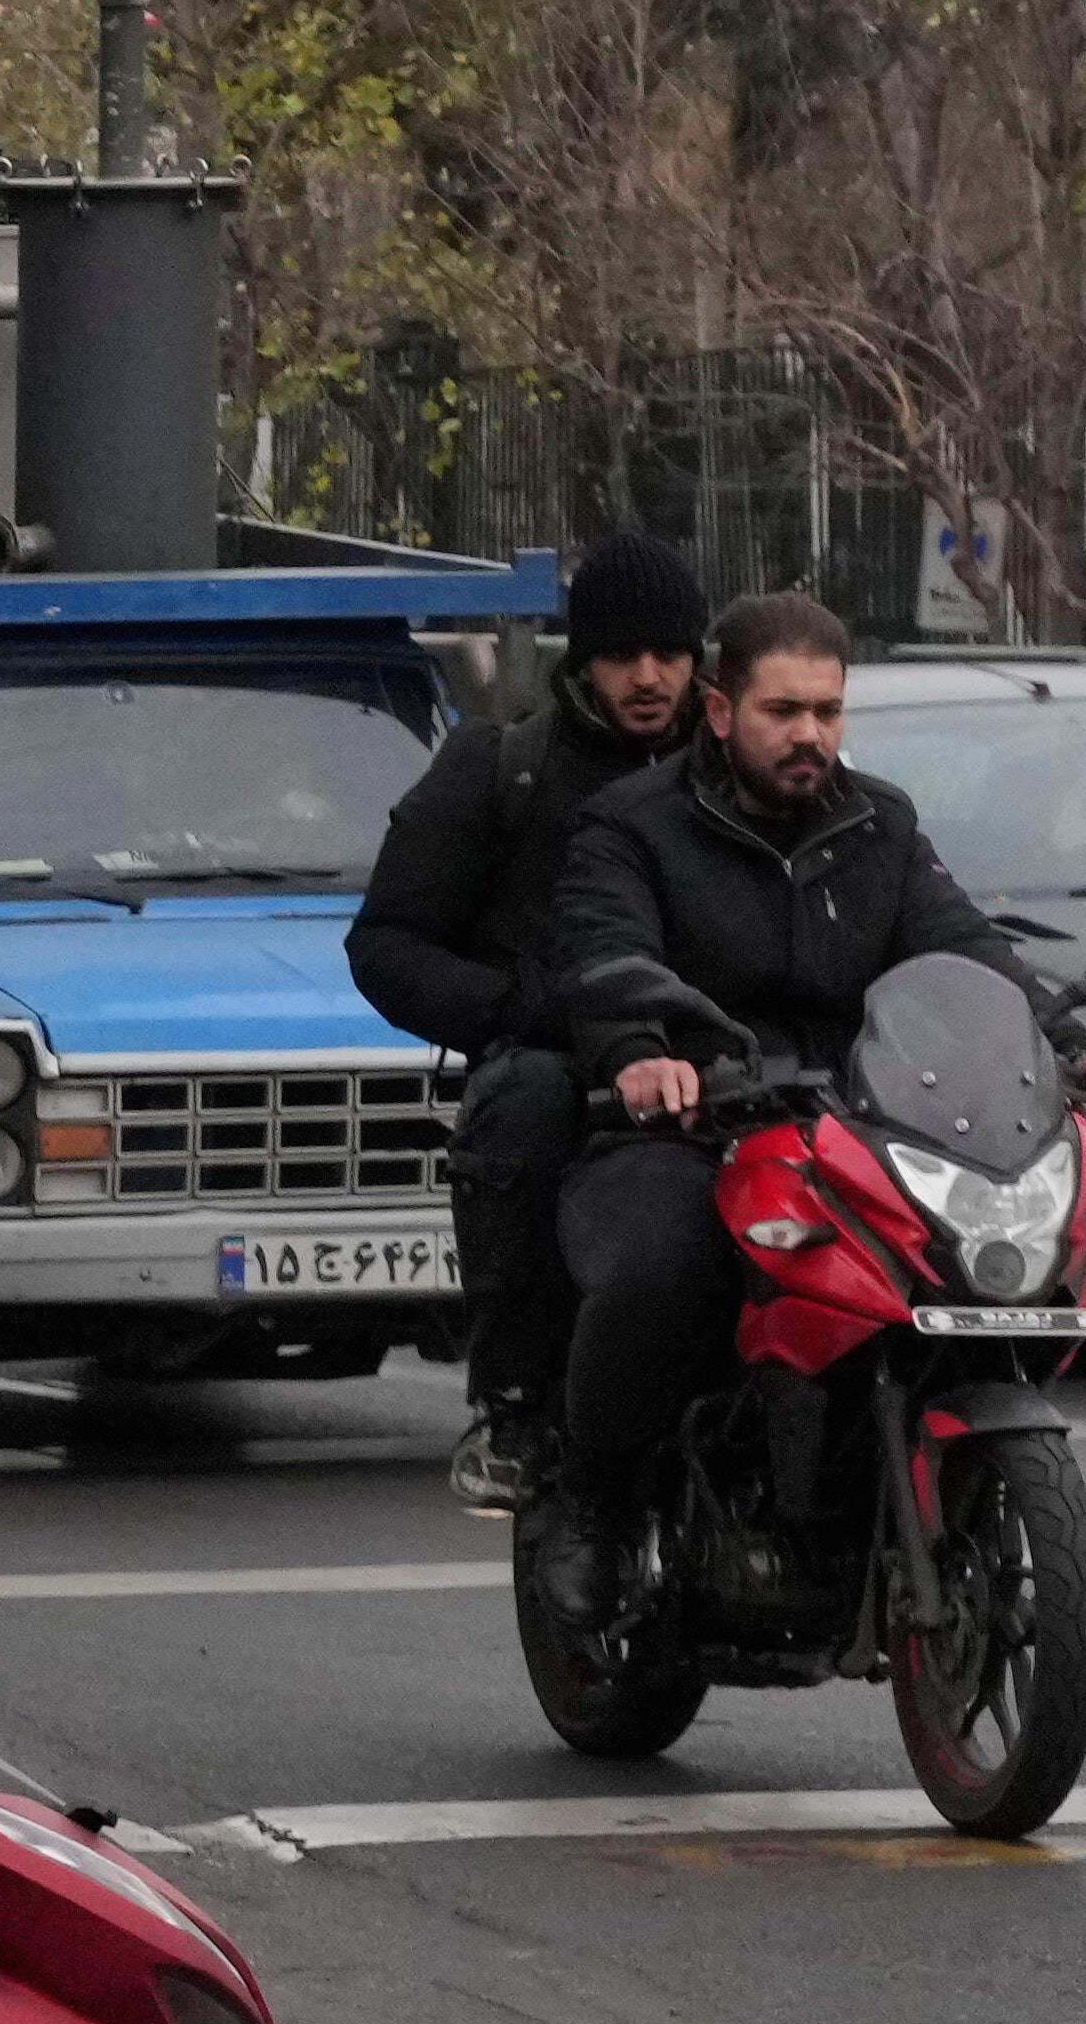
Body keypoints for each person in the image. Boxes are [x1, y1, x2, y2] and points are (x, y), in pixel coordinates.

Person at [536, 590, 1027, 1614]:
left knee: (969, 1262)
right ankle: (601, 1502)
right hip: (690, 1123)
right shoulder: (633, 825)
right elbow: (601, 948)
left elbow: (962, 948)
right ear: (719, 711)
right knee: (662, 1270)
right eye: (783, 710)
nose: (810, 734)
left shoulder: (880, 824)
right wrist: (640, 1049)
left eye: (827, 710)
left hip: (856, 1126)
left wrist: (1055, 1035)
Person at [351, 530, 706, 1510]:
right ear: (579, 657)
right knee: (525, 1101)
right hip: (558, 1070)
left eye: (669, 652)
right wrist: (510, 1011)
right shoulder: (501, 766)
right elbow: (385, 944)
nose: (647, 676)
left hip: (716, 1062)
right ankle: (513, 1404)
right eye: (622, 653)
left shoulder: (731, 772)